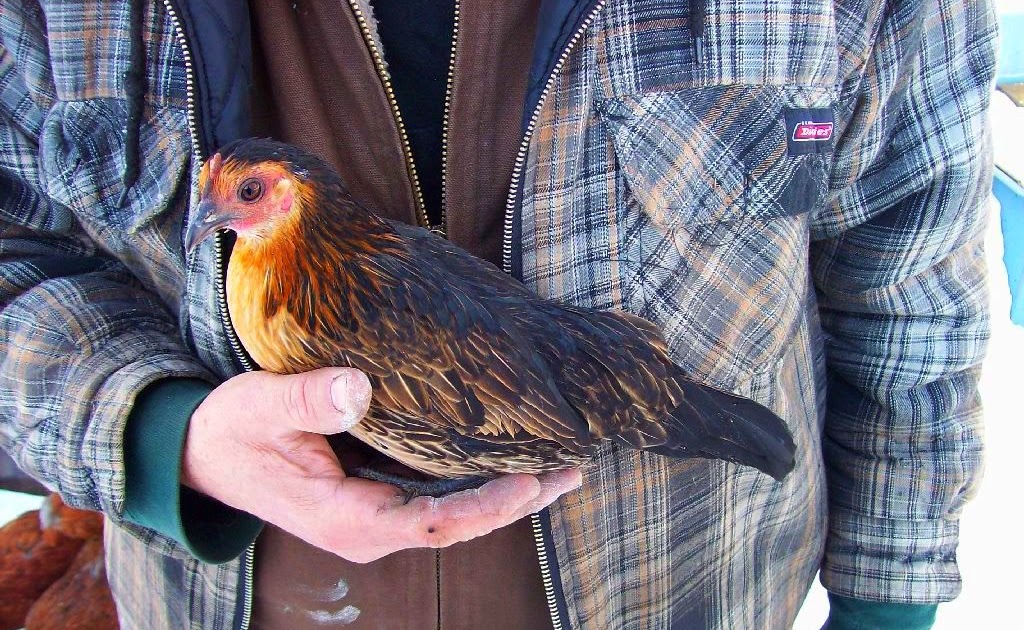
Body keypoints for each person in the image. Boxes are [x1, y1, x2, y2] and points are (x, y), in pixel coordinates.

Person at [0, 0, 997, 628]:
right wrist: (159, 429)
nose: (215, 217)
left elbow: (909, 278)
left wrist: (885, 595)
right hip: (228, 599)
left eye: (247, 198)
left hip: (693, 588)